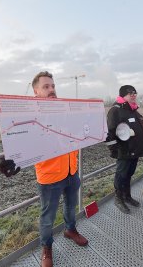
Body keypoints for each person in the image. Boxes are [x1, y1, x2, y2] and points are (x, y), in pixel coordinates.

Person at [31, 71, 88, 267]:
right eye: (46, 87)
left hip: (72, 171)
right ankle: (46, 248)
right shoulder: (31, 115)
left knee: (71, 206)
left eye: (53, 86)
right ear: (36, 91)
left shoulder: (65, 110)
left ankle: (70, 229)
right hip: (49, 176)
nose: (51, 90)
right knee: (47, 217)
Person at [106, 85, 143, 214]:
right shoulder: (115, 110)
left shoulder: (133, 109)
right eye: (130, 93)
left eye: (134, 93)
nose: (133, 95)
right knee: (121, 176)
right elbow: (110, 133)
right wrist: (114, 150)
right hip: (123, 151)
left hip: (134, 150)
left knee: (129, 174)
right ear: (122, 95)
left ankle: (127, 196)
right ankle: (118, 198)